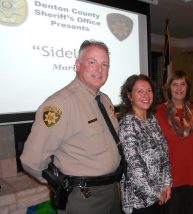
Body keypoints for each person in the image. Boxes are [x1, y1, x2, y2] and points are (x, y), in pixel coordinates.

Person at [20, 40, 121, 214]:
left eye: (105, 64)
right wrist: (60, 183)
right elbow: (32, 160)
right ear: (77, 65)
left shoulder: (105, 100)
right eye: (92, 62)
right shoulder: (59, 105)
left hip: (112, 190)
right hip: (84, 199)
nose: (100, 69)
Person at [155, 70, 193, 214]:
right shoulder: (159, 112)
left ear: (187, 87)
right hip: (170, 177)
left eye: (183, 84)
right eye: (175, 84)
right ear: (169, 88)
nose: (179, 88)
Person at [119, 74, 172, 214]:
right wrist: (156, 193)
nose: (146, 95)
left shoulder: (152, 119)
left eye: (149, 90)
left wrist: (167, 184)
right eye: (139, 91)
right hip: (140, 202)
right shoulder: (128, 124)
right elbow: (135, 168)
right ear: (129, 96)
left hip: (159, 194)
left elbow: (164, 156)